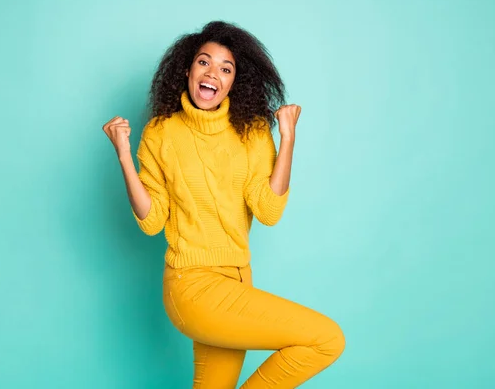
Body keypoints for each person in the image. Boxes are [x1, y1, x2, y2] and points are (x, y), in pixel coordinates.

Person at [102, 21, 345, 388]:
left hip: (237, 282)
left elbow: (268, 210)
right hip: (192, 286)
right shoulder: (161, 133)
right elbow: (153, 221)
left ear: (234, 82)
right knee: (325, 339)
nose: (213, 73)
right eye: (204, 62)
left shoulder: (252, 132)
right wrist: (123, 155)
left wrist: (288, 138)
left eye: (225, 68)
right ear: (187, 70)